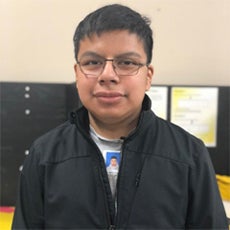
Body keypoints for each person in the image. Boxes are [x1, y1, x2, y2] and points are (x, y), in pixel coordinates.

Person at [12, 4, 228, 229]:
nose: (107, 75)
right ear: (77, 73)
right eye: (92, 62)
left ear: (148, 76)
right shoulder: (44, 155)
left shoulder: (189, 155)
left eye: (126, 62)